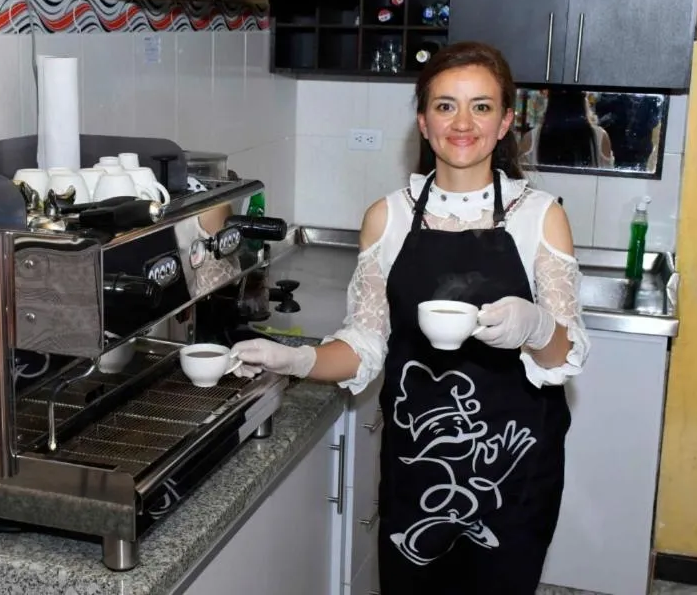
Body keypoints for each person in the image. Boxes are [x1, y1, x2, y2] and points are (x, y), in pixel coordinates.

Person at [231, 41, 590, 594]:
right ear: (423, 122)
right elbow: (364, 344)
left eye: (482, 106)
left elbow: (566, 355)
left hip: (515, 470)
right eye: (445, 106)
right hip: (419, 464)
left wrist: (537, 328)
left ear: (505, 124)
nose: (463, 123)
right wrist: (295, 358)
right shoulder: (388, 217)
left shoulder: (541, 217)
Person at [521, 88, 615, 169]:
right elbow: (608, 182)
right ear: (583, 100)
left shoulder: (530, 139)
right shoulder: (600, 137)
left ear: (550, 100)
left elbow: (521, 182)